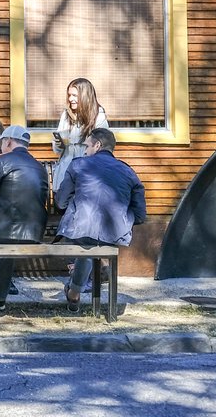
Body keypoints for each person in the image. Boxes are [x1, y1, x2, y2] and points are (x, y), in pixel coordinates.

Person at [56, 127, 146, 310]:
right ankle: (75, 290)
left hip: (80, 229)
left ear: (97, 145)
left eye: (87, 146)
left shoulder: (78, 164)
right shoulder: (129, 172)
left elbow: (60, 202)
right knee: (90, 243)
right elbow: (140, 215)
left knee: (82, 239)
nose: (85, 150)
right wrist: (122, 220)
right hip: (114, 233)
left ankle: (74, 291)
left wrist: (75, 206)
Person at [0, 124, 48, 313]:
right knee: (6, 238)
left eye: (2, 142)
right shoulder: (40, 167)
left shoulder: (0, 160)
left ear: (8, 141)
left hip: (2, 230)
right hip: (35, 231)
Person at [52, 77, 109, 193]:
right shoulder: (66, 115)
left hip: (87, 176)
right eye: (69, 95)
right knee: (62, 208)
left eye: (74, 96)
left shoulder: (98, 117)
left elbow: (104, 148)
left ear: (85, 96)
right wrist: (58, 144)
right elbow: (57, 150)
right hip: (65, 173)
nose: (71, 99)